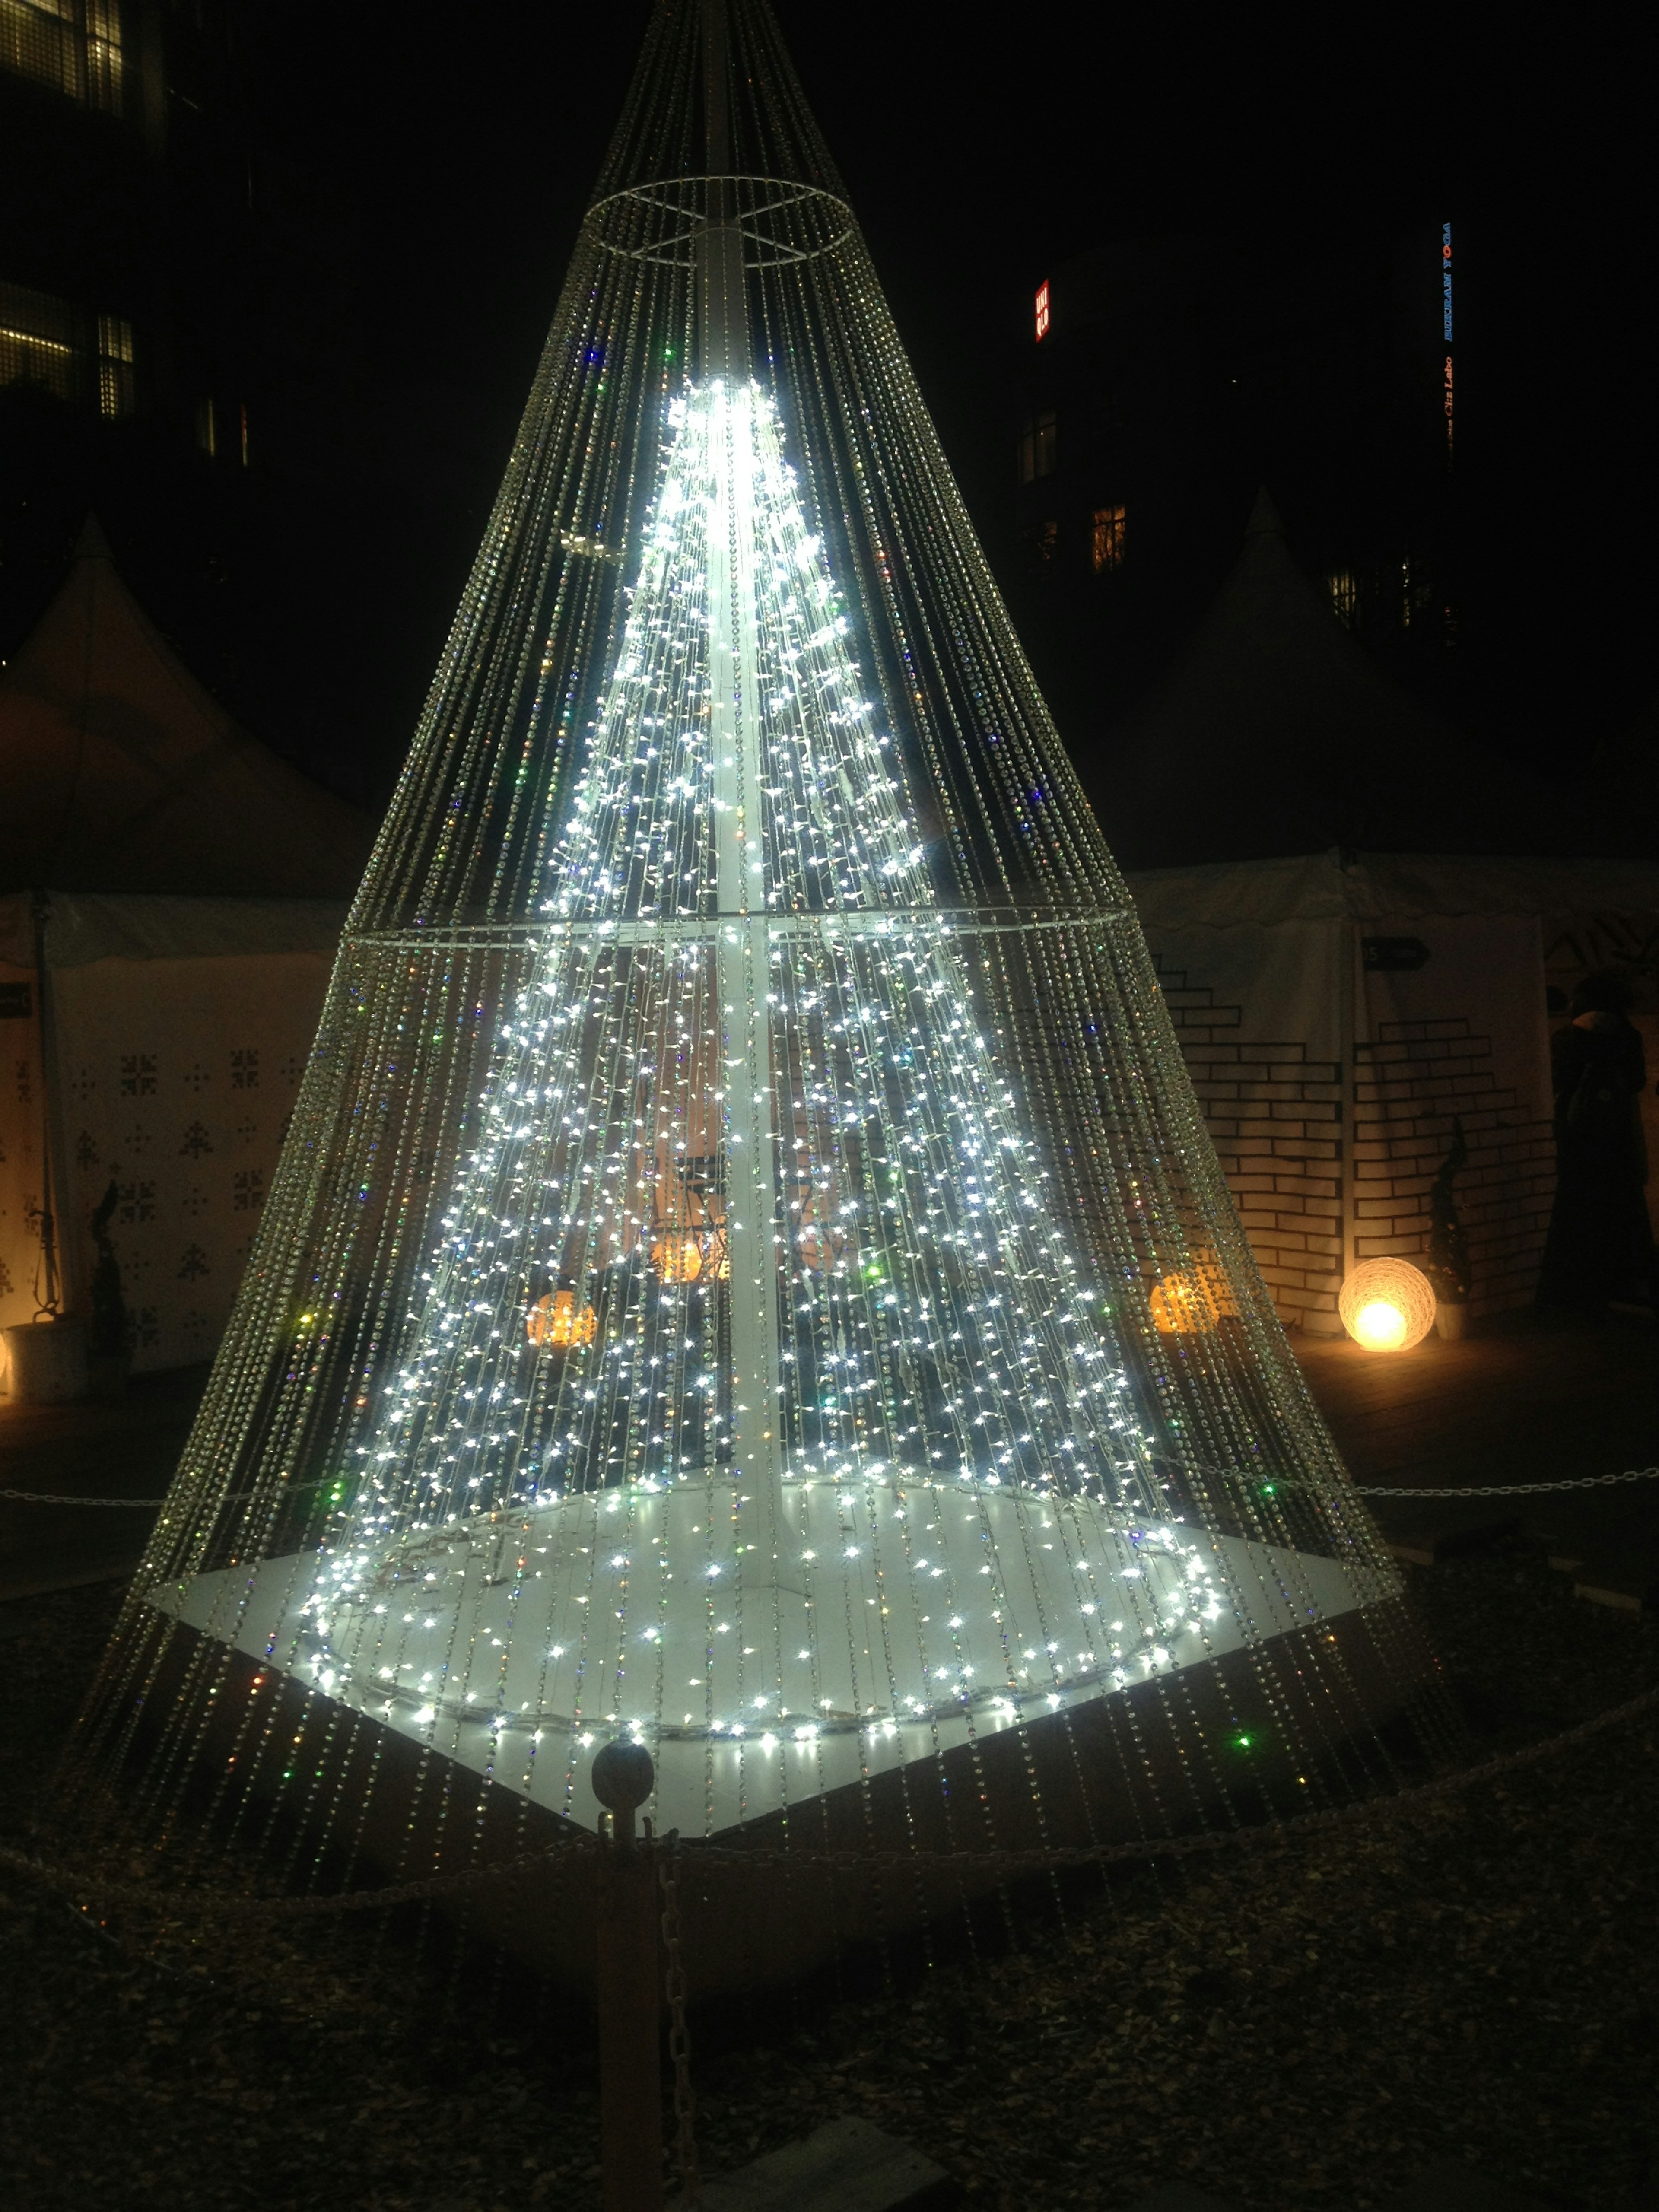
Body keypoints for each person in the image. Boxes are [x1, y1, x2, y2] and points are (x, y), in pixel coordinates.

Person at [1537, 969, 1655, 1312]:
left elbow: (1554, 1084)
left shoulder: (1566, 1038)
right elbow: (1636, 1083)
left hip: (1577, 1135)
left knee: (1578, 1203)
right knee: (1622, 1203)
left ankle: (1578, 1284)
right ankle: (1623, 1282)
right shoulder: (1628, 1036)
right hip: (1617, 1134)